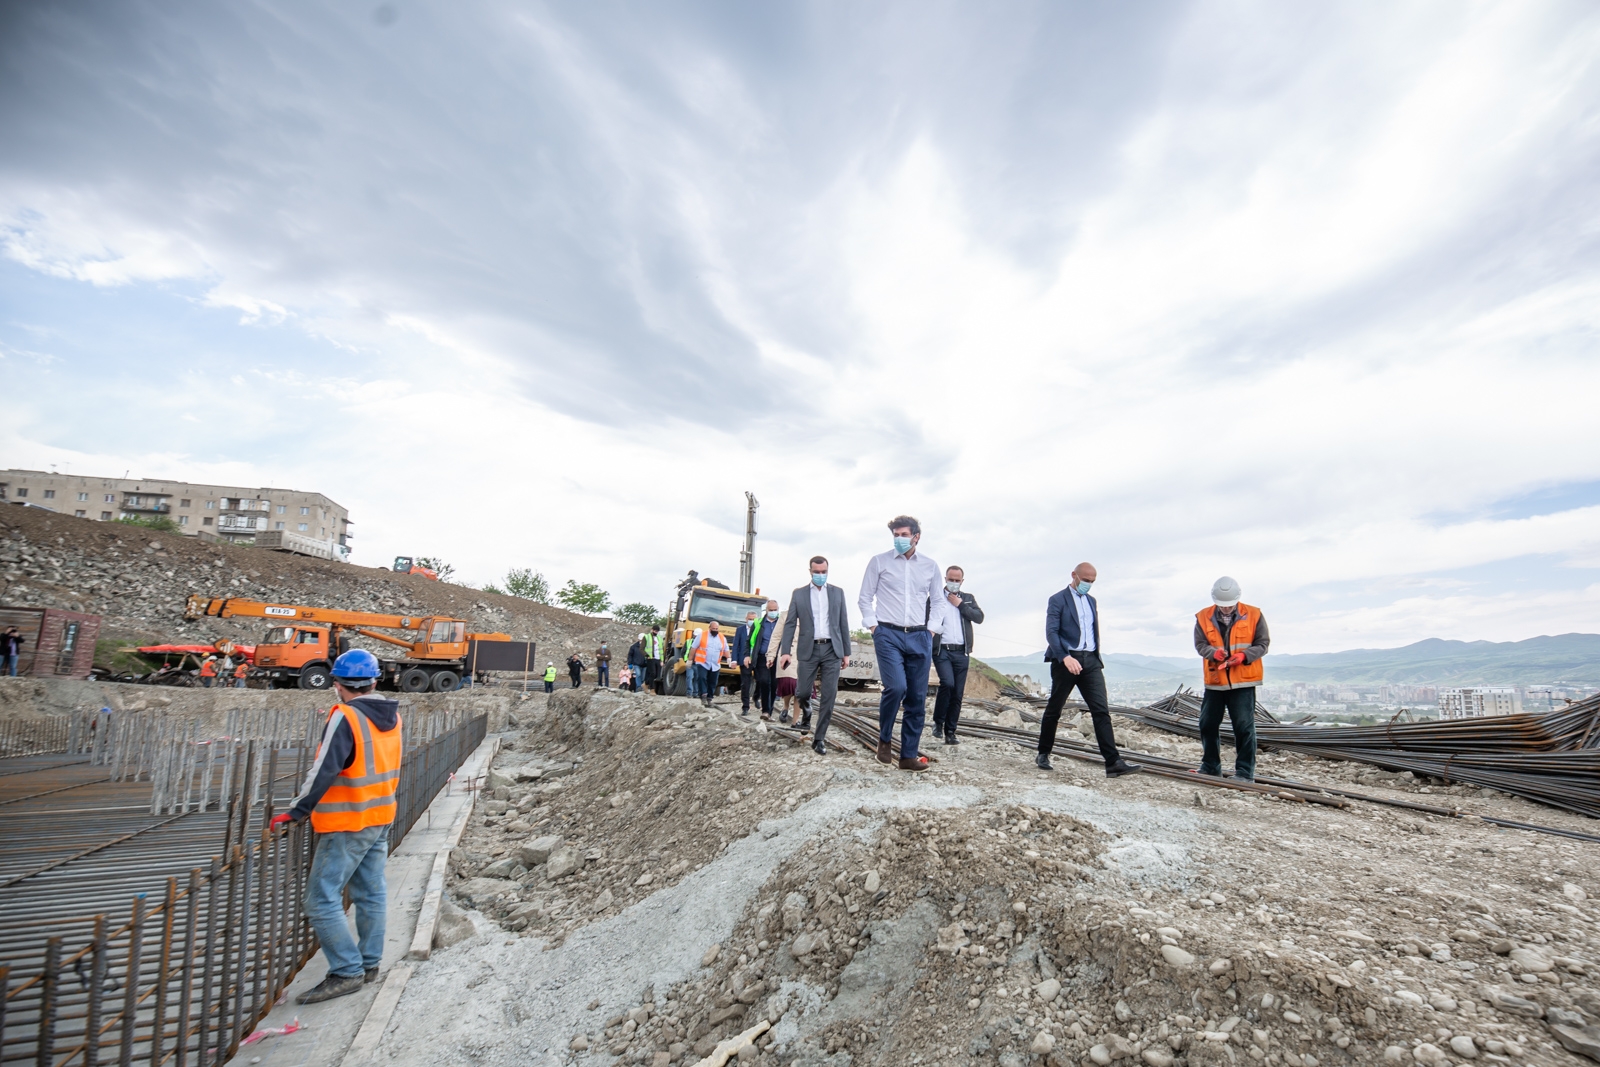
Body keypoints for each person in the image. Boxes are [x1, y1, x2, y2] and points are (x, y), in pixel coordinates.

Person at [269, 649, 402, 1004]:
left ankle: (346, 971)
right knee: (370, 892)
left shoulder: (346, 716)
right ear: (374, 682)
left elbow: (325, 769)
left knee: (320, 900)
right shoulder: (392, 716)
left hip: (348, 821)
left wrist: (296, 810)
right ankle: (369, 964)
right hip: (380, 815)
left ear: (338, 684)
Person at [1038, 563, 1140, 778]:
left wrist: (1092, 656)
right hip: (1066, 660)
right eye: (1086, 580)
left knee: (1101, 710)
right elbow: (1051, 632)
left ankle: (1113, 762)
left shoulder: (1092, 601)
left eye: (1092, 581)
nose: (1089, 584)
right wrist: (1065, 657)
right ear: (1074, 575)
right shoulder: (1057, 599)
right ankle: (1043, 753)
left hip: (1091, 660)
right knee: (1055, 708)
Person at [858, 516, 941, 771]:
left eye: (904, 534)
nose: (899, 539)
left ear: (916, 536)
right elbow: (865, 598)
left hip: (919, 636)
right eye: (896, 535)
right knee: (895, 687)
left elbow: (938, 601)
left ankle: (908, 756)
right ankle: (884, 739)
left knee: (916, 697)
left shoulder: (930, 566)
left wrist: (931, 630)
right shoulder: (879, 561)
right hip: (888, 634)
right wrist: (874, 628)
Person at [1194, 576, 1270, 783]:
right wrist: (1213, 653)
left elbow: (1263, 644)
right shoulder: (1203, 617)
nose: (1226, 609)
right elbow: (1200, 644)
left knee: (1244, 727)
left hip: (1243, 681)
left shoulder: (1254, 614)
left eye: (1229, 605)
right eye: (1222, 605)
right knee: (1207, 724)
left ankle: (1245, 773)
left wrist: (1244, 656)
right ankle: (1210, 767)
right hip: (1215, 680)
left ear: (1237, 599)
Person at [779, 556, 852, 755]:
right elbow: (790, 624)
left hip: (832, 650)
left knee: (829, 696)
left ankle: (819, 738)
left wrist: (846, 652)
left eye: (823, 572)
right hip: (808, 649)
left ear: (828, 571)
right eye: (816, 572)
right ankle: (807, 710)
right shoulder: (799, 594)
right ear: (810, 571)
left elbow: (843, 622)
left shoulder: (837, 593)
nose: (820, 575)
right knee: (802, 692)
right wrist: (785, 652)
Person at [930, 566, 984, 745]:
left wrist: (960, 604)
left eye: (957, 580)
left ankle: (950, 732)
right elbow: (926, 620)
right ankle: (938, 722)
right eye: (951, 579)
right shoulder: (936, 598)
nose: (953, 583)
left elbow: (979, 617)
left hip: (962, 651)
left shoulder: (968, 599)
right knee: (947, 683)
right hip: (942, 650)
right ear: (945, 579)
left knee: (957, 693)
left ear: (962, 581)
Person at [745, 600, 781, 719]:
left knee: (774, 684)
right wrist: (747, 655)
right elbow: (749, 641)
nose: (773, 612)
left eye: (775, 610)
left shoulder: (781, 623)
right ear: (766, 610)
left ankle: (769, 709)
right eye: (771, 610)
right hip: (762, 657)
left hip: (777, 658)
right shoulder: (758, 623)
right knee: (765, 681)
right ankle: (765, 710)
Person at [688, 622, 730, 707]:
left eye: (716, 629)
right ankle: (703, 695)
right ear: (709, 628)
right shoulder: (702, 635)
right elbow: (693, 648)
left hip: (715, 664)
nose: (715, 630)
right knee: (702, 678)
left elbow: (726, 649)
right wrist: (690, 659)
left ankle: (709, 698)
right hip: (702, 662)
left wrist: (729, 658)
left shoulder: (722, 637)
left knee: (713, 682)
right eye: (713, 629)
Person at [644, 625, 664, 691]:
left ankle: (646, 683)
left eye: (657, 631)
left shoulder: (659, 638)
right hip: (651, 658)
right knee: (653, 673)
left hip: (658, 658)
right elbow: (642, 648)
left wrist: (662, 660)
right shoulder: (646, 637)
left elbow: (661, 649)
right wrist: (647, 655)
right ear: (652, 630)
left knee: (657, 675)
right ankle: (652, 689)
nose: (656, 632)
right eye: (655, 631)